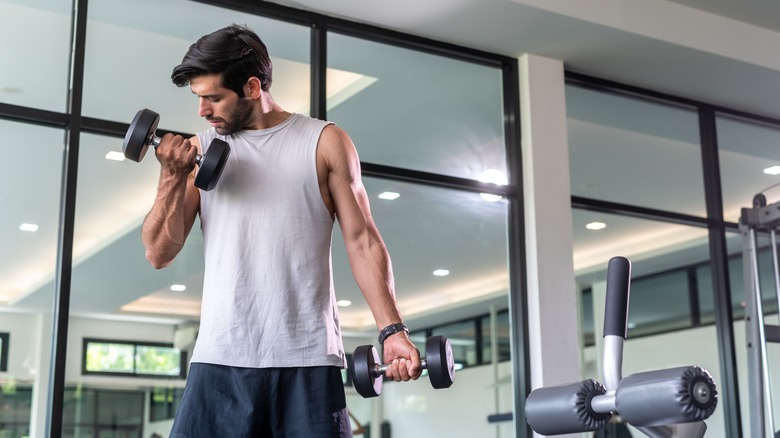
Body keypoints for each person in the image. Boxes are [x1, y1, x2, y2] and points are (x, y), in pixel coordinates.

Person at [140, 23, 422, 437]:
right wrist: (170, 177)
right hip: (220, 358)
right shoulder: (199, 153)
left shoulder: (324, 142)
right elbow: (158, 254)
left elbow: (362, 242)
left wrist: (393, 331)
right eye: (198, 98)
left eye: (213, 98)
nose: (202, 111)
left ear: (252, 87)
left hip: (307, 361)